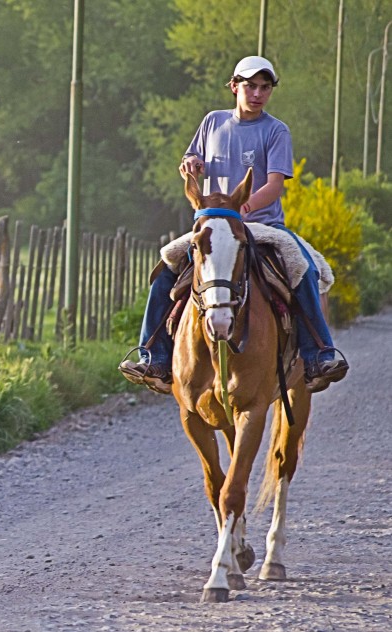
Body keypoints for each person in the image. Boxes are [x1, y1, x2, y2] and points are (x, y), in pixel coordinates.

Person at [119, 55, 349, 395]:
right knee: (167, 266)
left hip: (261, 224)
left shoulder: (275, 130)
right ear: (234, 87)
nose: (257, 94)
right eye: (250, 86)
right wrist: (190, 164)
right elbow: (190, 158)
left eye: (264, 87)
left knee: (303, 268)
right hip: (213, 224)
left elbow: (273, 185)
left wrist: (245, 205)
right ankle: (153, 356)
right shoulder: (212, 122)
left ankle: (318, 356)